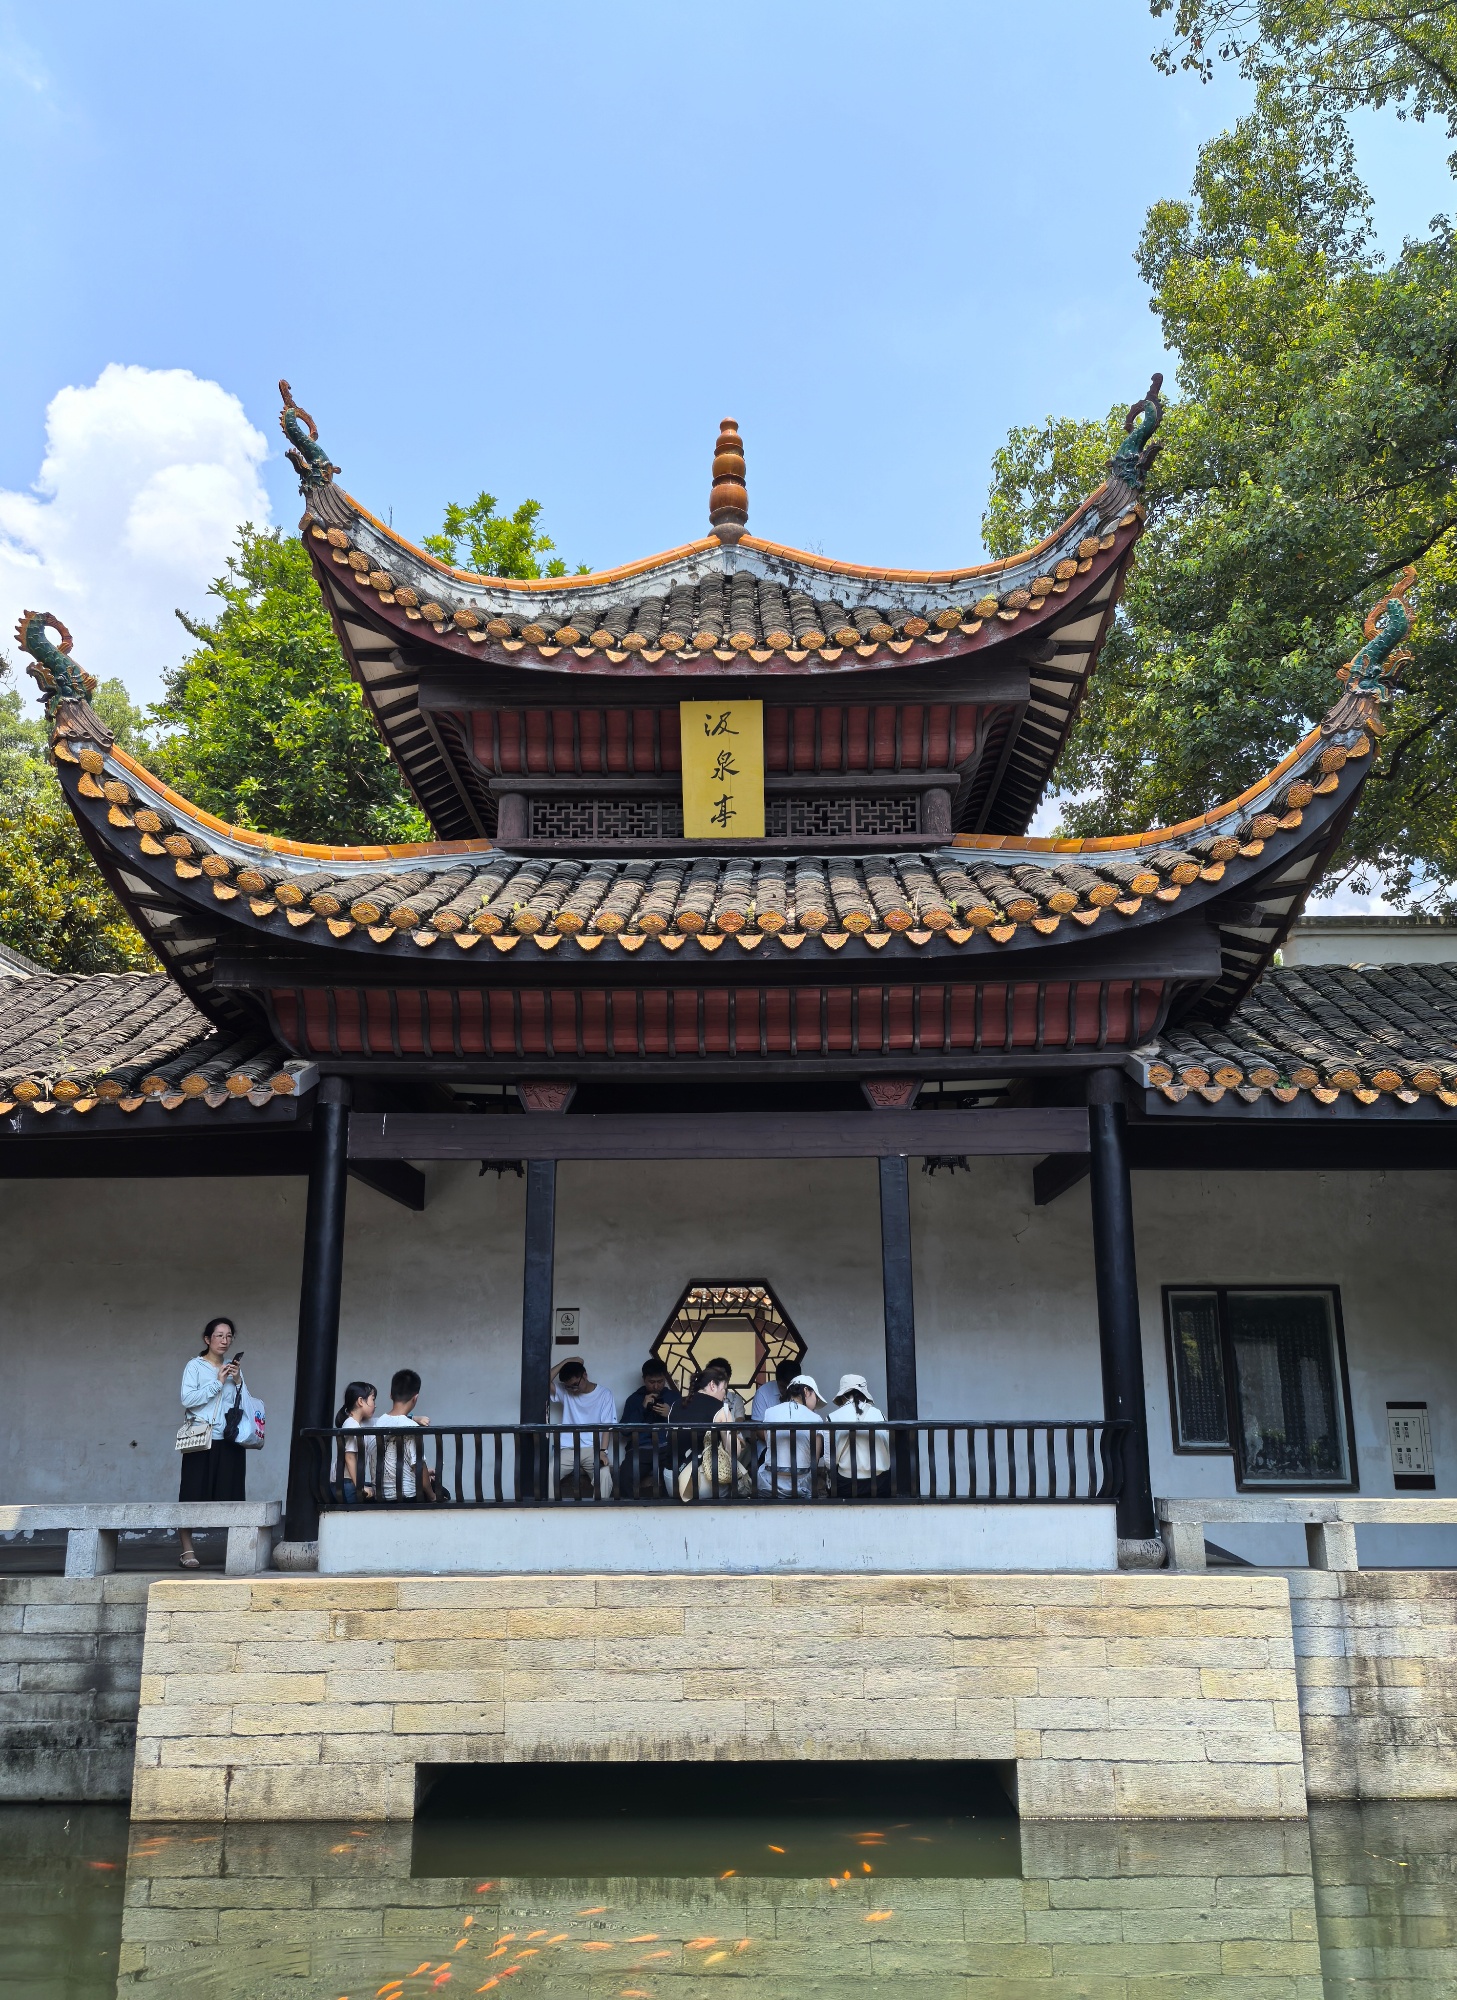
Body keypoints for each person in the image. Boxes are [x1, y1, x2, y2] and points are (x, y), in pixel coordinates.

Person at [178, 1317, 247, 1567]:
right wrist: (217, 1383)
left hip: (229, 1438)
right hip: (200, 1437)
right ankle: (187, 1551)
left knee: (232, 1494)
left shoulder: (233, 1367)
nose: (224, 1340)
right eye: (219, 1335)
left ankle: (237, 1551)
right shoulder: (195, 1366)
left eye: (229, 1336)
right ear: (207, 1339)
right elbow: (187, 1399)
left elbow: (243, 1402)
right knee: (192, 1493)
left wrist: (237, 1381)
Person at [669, 1363, 745, 1496]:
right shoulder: (721, 1408)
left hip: (671, 1477)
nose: (724, 1395)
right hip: (701, 1481)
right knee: (737, 1483)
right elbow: (735, 1451)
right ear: (712, 1385)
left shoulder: (675, 1404)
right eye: (724, 1390)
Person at [548, 1356, 617, 1499]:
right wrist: (566, 1362)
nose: (573, 1389)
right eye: (568, 1386)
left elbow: (607, 1426)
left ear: (585, 1375)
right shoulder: (566, 1392)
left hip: (593, 1448)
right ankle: (550, 1513)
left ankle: (599, 1513)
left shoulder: (604, 1394)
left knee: (604, 1474)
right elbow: (542, 1381)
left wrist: (603, 1451)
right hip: (569, 1449)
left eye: (575, 1384)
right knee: (550, 1471)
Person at [373, 1368, 438, 1503]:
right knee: (442, 1492)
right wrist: (432, 1496)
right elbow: (418, 1467)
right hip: (408, 1495)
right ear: (415, 1398)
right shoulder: (411, 1428)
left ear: (391, 1395)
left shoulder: (379, 1422)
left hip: (380, 1495)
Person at [756, 1374, 826, 1498]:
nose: (816, 1402)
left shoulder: (770, 1413)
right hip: (802, 1484)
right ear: (806, 1391)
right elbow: (814, 1461)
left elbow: (769, 1445)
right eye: (816, 1396)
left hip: (770, 1483)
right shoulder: (816, 1419)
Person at [828, 1373, 893, 1498]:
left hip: (846, 1483)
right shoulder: (880, 1414)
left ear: (842, 1396)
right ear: (864, 1394)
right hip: (880, 1483)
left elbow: (828, 1461)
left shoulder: (832, 1417)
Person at [619, 1358, 675, 1498]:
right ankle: (630, 1515)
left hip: (666, 1448)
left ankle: (667, 1513)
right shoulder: (634, 1399)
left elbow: (686, 1427)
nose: (656, 1386)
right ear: (644, 1379)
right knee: (624, 1477)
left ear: (665, 1379)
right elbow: (624, 1431)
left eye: (660, 1381)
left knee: (673, 1475)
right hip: (640, 1449)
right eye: (652, 1382)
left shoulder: (674, 1397)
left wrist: (670, 1415)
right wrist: (642, 1408)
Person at [336, 1381, 378, 1503]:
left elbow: (386, 1421)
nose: (375, 1405)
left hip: (350, 1481)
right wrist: (360, 1486)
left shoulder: (362, 1423)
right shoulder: (351, 1424)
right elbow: (349, 1457)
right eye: (373, 1399)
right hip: (346, 1482)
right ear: (360, 1401)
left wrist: (413, 1418)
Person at [751, 1357, 802, 1425]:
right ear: (777, 1381)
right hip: (771, 1435)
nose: (787, 1391)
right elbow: (758, 1427)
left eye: (791, 1387)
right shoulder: (762, 1393)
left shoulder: (805, 1392)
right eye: (783, 1387)